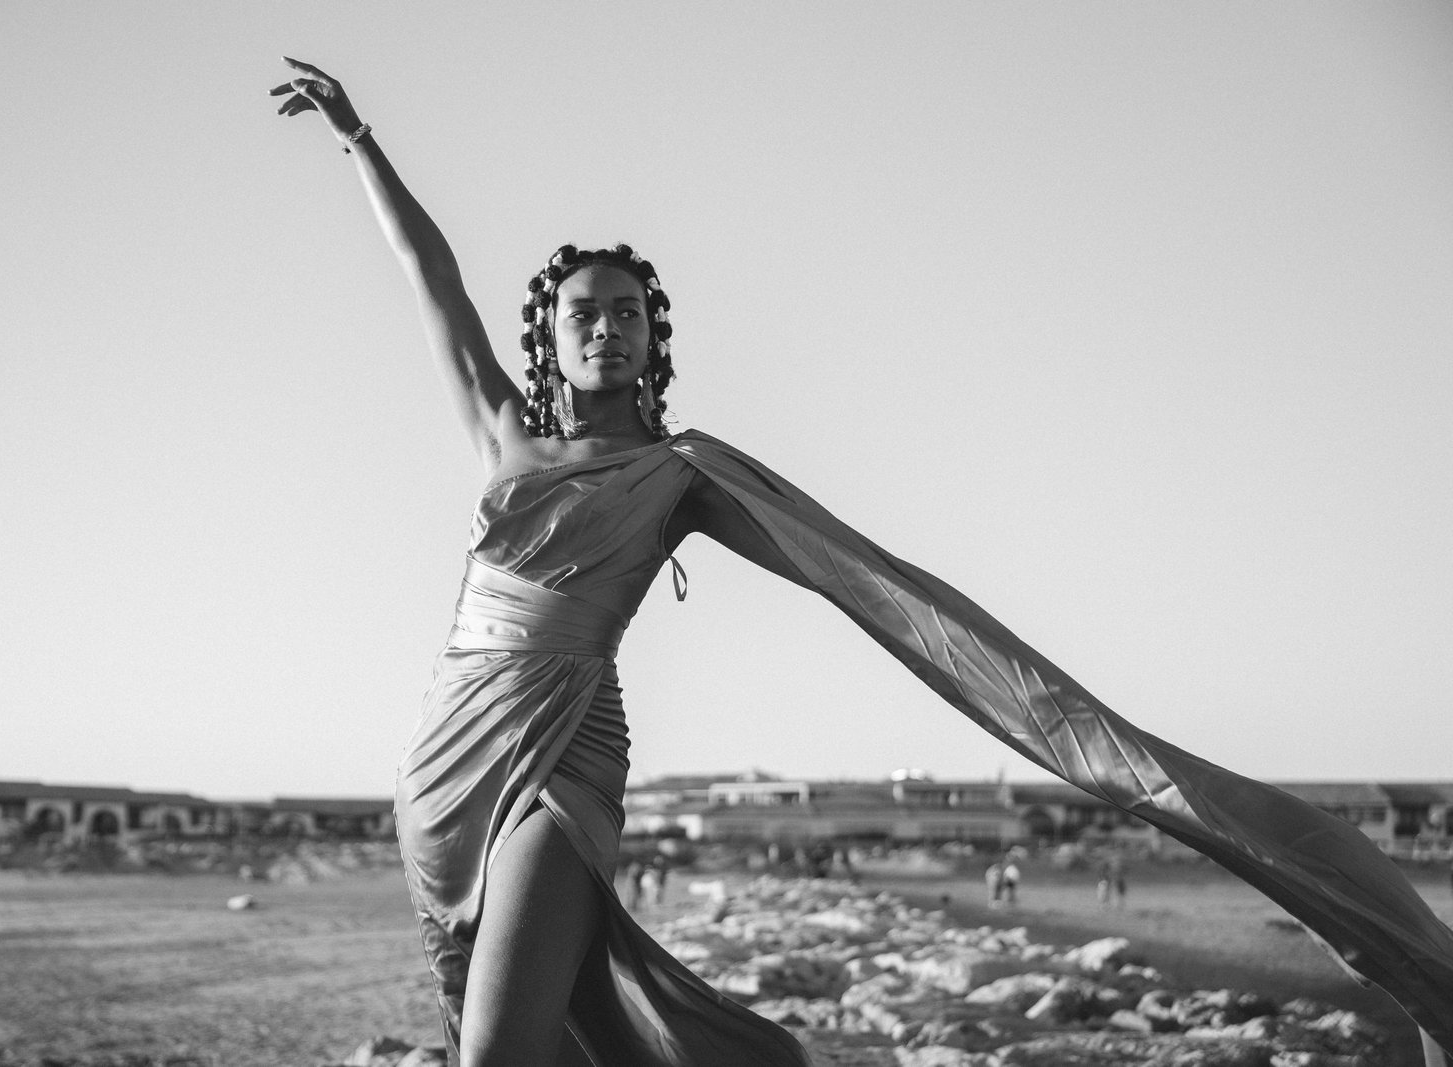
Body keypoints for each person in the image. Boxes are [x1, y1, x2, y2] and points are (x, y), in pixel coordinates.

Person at [270, 59, 1453, 1065]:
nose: (606, 325)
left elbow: (863, 582)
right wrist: (360, 141)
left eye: (628, 310)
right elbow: (433, 278)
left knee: (495, 1055)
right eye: (583, 310)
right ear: (550, 333)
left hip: (564, 746)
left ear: (651, 336)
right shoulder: (501, 434)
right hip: (441, 762)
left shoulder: (686, 470)